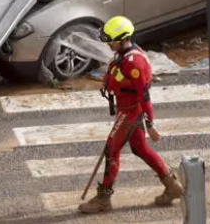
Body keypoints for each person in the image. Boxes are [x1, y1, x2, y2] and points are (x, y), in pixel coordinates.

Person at [79, 16, 184, 214]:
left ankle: (103, 198)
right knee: (140, 149)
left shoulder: (134, 63)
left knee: (112, 150)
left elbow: (144, 96)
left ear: (123, 39)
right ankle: (172, 186)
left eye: (111, 40)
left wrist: (150, 124)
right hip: (124, 109)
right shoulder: (123, 53)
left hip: (129, 112)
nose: (109, 44)